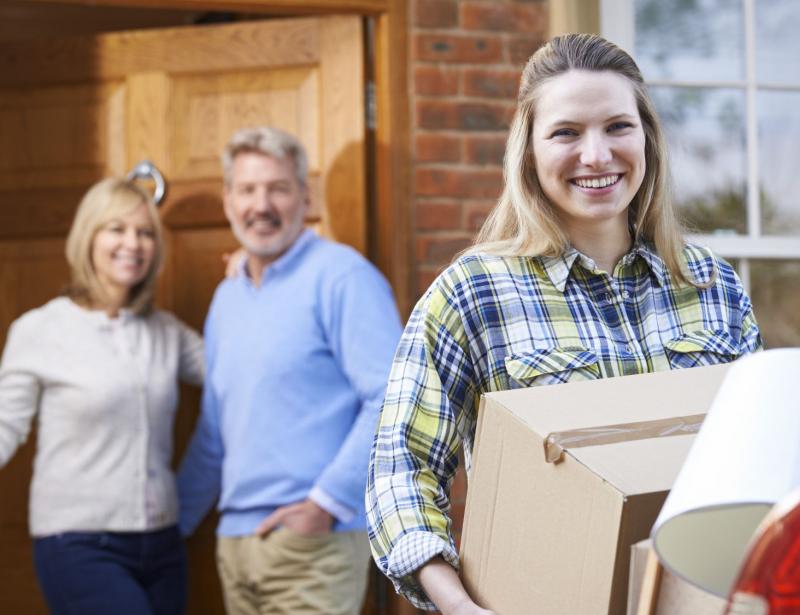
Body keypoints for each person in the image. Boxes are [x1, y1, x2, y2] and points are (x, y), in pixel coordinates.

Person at [366, 33, 762, 614]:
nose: (597, 155)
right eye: (566, 132)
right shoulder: (474, 293)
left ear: (647, 138)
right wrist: (458, 605)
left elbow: (760, 461)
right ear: (527, 150)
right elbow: (400, 469)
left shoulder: (713, 287)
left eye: (617, 127)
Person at [177, 126, 402, 615]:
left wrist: (324, 504)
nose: (262, 204)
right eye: (248, 190)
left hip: (313, 545)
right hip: (234, 546)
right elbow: (216, 431)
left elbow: (391, 396)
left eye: (278, 188)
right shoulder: (227, 298)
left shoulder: (342, 276)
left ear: (304, 197)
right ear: (228, 201)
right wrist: (171, 526)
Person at [0, 178, 205, 615]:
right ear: (88, 236)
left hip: (164, 542)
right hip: (77, 543)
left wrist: (247, 281)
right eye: (117, 228)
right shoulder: (39, 330)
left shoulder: (167, 332)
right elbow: (4, 426)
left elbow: (239, 376)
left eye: (145, 233)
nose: (133, 243)